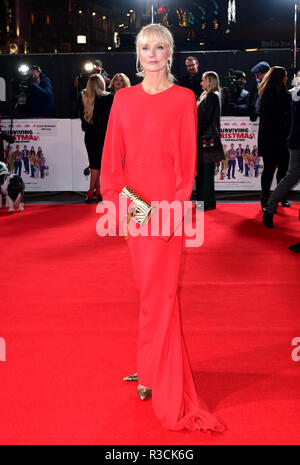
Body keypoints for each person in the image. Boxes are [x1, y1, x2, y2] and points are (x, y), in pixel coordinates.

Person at [100, 23, 225, 433]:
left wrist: (166, 215)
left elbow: (186, 166)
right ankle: (150, 368)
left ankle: (157, 376)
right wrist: (135, 211)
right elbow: (111, 164)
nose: (152, 53)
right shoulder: (122, 99)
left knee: (163, 292)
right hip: (137, 209)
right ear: (137, 53)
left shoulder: (185, 98)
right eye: (145, 47)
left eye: (159, 47)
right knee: (149, 293)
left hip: (167, 210)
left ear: (170, 52)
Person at [263, 82, 300, 228]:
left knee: (288, 179)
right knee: (288, 179)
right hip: (295, 142)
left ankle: (269, 211)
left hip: (294, 142)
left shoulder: (295, 94)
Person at [258, 66, 291, 211]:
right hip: (271, 138)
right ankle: (265, 198)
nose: (287, 78)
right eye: (285, 75)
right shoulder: (268, 93)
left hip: (281, 138)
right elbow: (270, 118)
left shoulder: (283, 92)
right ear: (280, 77)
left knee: (282, 170)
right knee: (270, 170)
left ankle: (280, 197)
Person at [78, 73, 113, 202]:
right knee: (99, 164)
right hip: (104, 135)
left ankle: (96, 190)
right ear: (101, 83)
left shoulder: (82, 96)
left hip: (90, 135)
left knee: (94, 163)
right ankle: (91, 190)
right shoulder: (109, 97)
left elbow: (81, 116)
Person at [196, 71, 224, 210]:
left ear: (209, 81)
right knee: (203, 171)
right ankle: (204, 201)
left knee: (205, 172)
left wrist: (194, 132)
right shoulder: (208, 96)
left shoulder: (212, 97)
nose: (201, 83)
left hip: (206, 139)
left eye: (203, 80)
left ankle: (206, 202)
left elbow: (205, 119)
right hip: (205, 138)